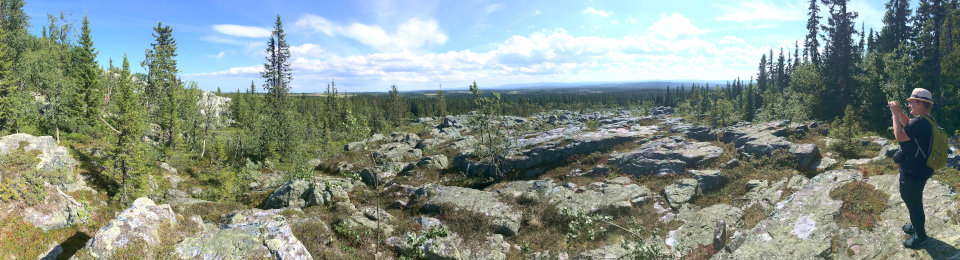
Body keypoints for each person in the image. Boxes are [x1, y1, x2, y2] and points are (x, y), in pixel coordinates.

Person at [887, 88, 936, 249]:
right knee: (913, 201)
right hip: (922, 170)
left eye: (912, 102)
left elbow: (900, 135)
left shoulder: (920, 121)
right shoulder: (926, 120)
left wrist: (894, 114)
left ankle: (920, 237)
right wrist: (899, 111)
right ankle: (916, 225)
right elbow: (909, 124)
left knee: (913, 203)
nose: (909, 105)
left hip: (913, 173)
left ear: (921, 103)